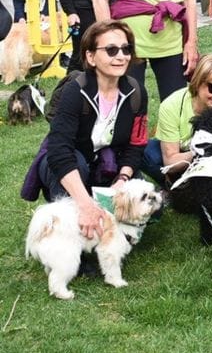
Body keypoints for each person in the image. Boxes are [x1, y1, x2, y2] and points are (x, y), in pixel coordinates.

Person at [34, 20, 149, 237]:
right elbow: (59, 152)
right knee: (77, 163)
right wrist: (85, 205)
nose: (121, 56)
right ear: (91, 57)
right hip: (69, 164)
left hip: (108, 163)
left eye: (126, 49)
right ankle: (68, 228)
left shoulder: (136, 92)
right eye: (111, 50)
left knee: (146, 206)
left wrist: (122, 179)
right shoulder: (75, 92)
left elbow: (136, 145)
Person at [142, 55, 212, 185]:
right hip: (185, 157)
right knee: (147, 151)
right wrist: (204, 152)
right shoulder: (172, 105)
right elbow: (170, 162)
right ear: (198, 83)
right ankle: (172, 185)